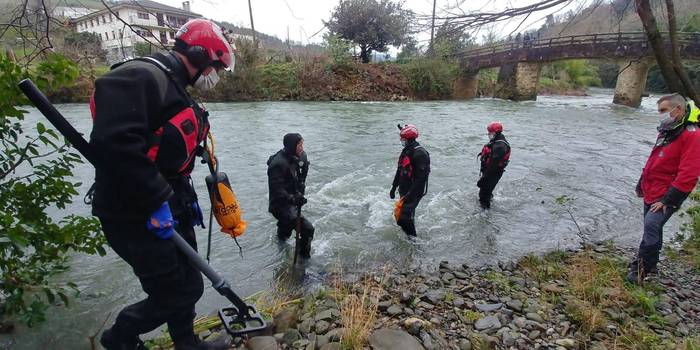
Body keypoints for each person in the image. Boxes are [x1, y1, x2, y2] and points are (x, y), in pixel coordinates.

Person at [89, 19, 235, 350]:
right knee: (173, 291)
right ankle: (120, 338)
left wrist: (169, 201)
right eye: (216, 67)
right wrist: (156, 200)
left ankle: (187, 343)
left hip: (172, 203)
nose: (216, 76)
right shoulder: (138, 77)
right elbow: (114, 145)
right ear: (200, 56)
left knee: (190, 284)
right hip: (134, 212)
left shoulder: (175, 84)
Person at [627, 93, 700, 284]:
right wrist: (641, 183)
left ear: (678, 110)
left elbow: (689, 174)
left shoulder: (692, 135)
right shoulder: (668, 130)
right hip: (652, 188)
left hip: (667, 194)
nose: (660, 114)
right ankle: (652, 264)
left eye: (663, 111)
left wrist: (668, 200)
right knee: (653, 228)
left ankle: (641, 268)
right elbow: (654, 159)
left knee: (652, 226)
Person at [267, 133, 313, 258]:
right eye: (299, 144)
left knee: (285, 229)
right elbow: (277, 191)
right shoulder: (278, 164)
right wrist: (293, 198)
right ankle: (304, 261)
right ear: (292, 146)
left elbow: (298, 177)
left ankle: (280, 243)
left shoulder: (294, 156)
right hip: (280, 206)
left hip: (291, 202)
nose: (302, 147)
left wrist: (303, 176)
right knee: (308, 229)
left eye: (302, 144)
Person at [390, 124, 431, 236]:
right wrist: (394, 187)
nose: (401, 141)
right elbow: (399, 170)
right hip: (405, 189)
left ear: (409, 139)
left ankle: (414, 240)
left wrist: (409, 194)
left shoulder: (420, 153)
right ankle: (409, 233)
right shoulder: (406, 151)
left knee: (402, 217)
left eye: (403, 139)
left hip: (414, 191)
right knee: (405, 216)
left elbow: (421, 179)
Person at [477, 122, 511, 209]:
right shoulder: (496, 140)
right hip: (489, 171)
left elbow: (493, 165)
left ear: (495, 133)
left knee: (483, 196)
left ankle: (484, 216)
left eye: (490, 132)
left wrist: (484, 178)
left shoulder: (500, 146)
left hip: (493, 173)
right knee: (485, 193)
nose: (488, 134)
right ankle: (489, 202)